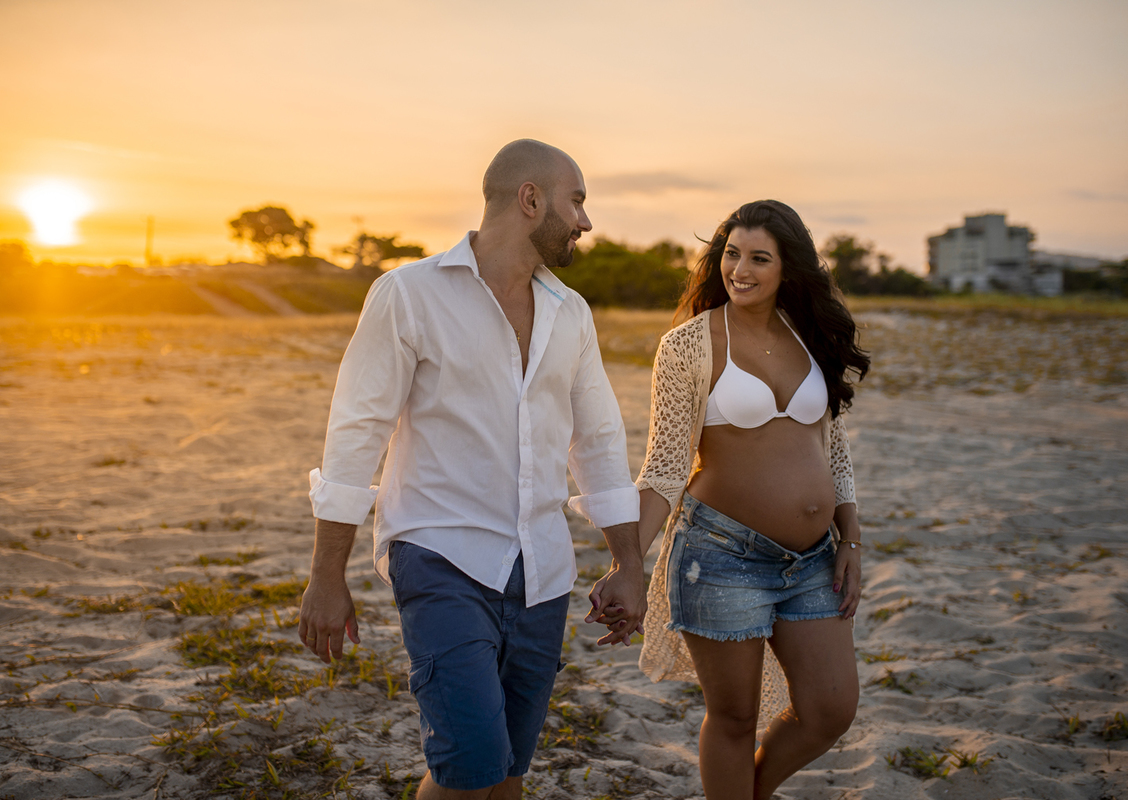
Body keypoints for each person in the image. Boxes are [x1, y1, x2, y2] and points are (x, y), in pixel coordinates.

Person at [297, 139, 646, 800]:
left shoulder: (571, 312)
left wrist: (628, 564)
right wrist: (326, 575)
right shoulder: (408, 295)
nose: (585, 221)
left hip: (542, 569)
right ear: (530, 199)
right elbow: (355, 435)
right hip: (439, 556)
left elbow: (598, 442)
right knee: (471, 764)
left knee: (508, 770)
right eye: (576, 201)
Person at [624, 200, 869, 799]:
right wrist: (626, 563)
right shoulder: (688, 345)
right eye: (732, 254)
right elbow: (665, 469)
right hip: (720, 556)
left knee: (830, 709)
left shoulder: (809, 334)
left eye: (760, 258)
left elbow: (833, 449)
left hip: (813, 561)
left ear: (789, 268)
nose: (740, 270)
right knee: (734, 718)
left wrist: (851, 539)